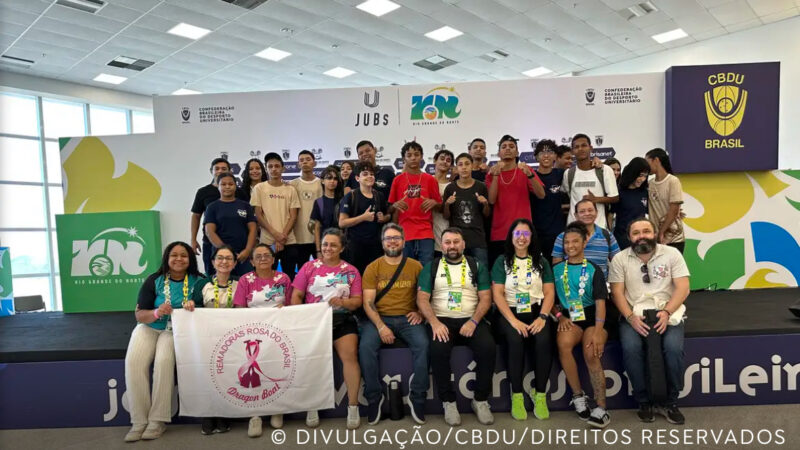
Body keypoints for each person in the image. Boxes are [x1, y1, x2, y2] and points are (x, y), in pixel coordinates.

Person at [609, 218, 690, 425]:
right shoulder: (619, 259)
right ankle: (643, 401)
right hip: (633, 314)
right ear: (629, 237)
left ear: (655, 234)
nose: (641, 236)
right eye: (636, 233)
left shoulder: (672, 254)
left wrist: (667, 312)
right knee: (631, 349)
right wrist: (630, 317)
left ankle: (671, 402)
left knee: (672, 349)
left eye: (646, 231)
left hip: (668, 311)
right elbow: (617, 292)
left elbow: (683, 287)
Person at [124, 241, 202, 442]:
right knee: (134, 364)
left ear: (190, 259)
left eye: (183, 255)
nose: (178, 259)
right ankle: (139, 421)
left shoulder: (198, 280)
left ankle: (157, 421)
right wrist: (157, 312)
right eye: (174, 255)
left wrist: (195, 306)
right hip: (149, 328)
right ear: (167, 259)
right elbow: (140, 315)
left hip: (174, 332)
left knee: (163, 364)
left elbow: (206, 308)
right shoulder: (154, 280)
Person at [417, 227, 495, 426]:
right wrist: (434, 323)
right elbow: (422, 299)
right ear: (441, 245)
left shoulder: (476, 265)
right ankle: (448, 402)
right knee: (438, 350)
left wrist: (474, 321)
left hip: (471, 319)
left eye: (456, 242)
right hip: (441, 320)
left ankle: (480, 400)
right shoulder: (431, 267)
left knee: (488, 347)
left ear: (463, 244)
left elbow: (486, 298)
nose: (452, 246)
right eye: (448, 242)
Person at [290, 228, 363, 429]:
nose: (328, 248)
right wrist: (301, 318)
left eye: (333, 245)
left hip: (341, 320)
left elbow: (357, 302)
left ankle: (353, 406)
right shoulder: (308, 267)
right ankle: (312, 405)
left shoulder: (351, 271)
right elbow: (296, 296)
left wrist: (342, 302)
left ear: (342, 247)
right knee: (312, 362)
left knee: (350, 357)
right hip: (313, 322)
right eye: (325, 244)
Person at [359, 223, 428, 425]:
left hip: (408, 318)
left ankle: (418, 398)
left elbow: (424, 296)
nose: (393, 241)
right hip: (379, 317)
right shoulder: (373, 268)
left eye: (396, 237)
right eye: (388, 238)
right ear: (382, 243)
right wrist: (381, 326)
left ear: (404, 241)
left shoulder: (416, 266)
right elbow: (368, 302)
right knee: (365, 347)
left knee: (423, 345)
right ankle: (374, 397)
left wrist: (420, 314)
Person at [491, 219, 555, 421]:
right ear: (511, 237)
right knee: (515, 340)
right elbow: (498, 294)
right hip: (509, 313)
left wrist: (543, 317)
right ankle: (517, 394)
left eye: (526, 234)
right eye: (517, 233)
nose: (521, 238)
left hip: (537, 312)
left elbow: (549, 292)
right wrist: (513, 321)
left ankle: (541, 394)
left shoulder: (541, 261)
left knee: (544, 340)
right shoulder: (501, 260)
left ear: (531, 237)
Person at [552, 222, 610, 428]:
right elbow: (549, 301)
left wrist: (598, 330)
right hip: (570, 318)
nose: (570, 245)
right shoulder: (557, 269)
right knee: (563, 343)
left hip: (594, 318)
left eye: (575, 241)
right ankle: (578, 396)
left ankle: (601, 408)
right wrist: (559, 316)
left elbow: (601, 304)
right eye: (566, 242)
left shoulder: (594, 270)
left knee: (591, 351)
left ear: (584, 242)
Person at [232, 243, 293, 436]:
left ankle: (277, 409)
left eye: (267, 255)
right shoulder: (245, 280)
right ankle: (255, 415)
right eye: (258, 256)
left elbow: (292, 305)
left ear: (274, 259)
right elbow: (239, 309)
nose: (263, 259)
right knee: (253, 373)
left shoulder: (283, 279)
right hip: (253, 334)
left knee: (276, 368)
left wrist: (284, 310)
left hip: (278, 332)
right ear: (251, 261)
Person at [182, 245, 238, 435]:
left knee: (227, 375)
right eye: (220, 258)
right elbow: (194, 306)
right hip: (207, 338)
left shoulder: (240, 283)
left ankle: (223, 413)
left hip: (233, 339)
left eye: (229, 258)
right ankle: (209, 413)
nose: (224, 262)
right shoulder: (202, 284)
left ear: (235, 263)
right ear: (213, 262)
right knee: (208, 375)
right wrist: (189, 305)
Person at [486, 135, 545, 266]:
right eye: (504, 147)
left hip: (523, 232)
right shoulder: (491, 173)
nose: (508, 149)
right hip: (500, 232)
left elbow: (541, 195)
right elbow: (491, 200)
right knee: (501, 274)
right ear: (498, 153)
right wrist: (495, 176)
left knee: (526, 271)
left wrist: (530, 175)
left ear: (517, 152)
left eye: (512, 147)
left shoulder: (525, 170)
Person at [389, 141, 442, 268]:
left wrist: (434, 202)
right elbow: (389, 208)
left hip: (425, 231)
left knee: (427, 269)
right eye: (409, 155)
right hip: (405, 231)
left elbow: (440, 207)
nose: (413, 158)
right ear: (404, 159)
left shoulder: (430, 179)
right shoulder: (398, 180)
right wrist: (395, 205)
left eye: (416, 154)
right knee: (406, 270)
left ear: (422, 156)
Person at [250, 152, 300, 279]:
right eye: (270, 166)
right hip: (267, 242)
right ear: (266, 169)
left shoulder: (290, 189)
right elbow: (258, 215)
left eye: (277, 166)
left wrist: (281, 237)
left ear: (282, 168)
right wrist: (276, 236)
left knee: (289, 277)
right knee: (266, 277)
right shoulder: (259, 188)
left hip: (289, 241)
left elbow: (293, 216)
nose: (274, 169)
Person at [339, 160, 390, 274]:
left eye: (371, 174)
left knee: (374, 279)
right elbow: (342, 223)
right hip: (355, 247)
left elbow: (388, 215)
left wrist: (383, 218)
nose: (369, 177)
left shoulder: (379, 195)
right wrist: (363, 217)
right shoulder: (350, 196)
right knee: (355, 280)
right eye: (365, 174)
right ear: (357, 178)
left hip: (375, 246)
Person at [204, 172, 257, 277]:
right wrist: (226, 252)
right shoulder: (212, 207)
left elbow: (253, 229)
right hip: (221, 255)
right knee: (221, 287)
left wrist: (247, 250)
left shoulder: (245, 206)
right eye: (223, 184)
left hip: (243, 255)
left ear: (235, 186)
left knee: (247, 285)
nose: (227, 187)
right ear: (218, 187)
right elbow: (210, 231)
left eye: (231, 184)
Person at [442, 153, 490, 267]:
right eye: (460, 164)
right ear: (456, 168)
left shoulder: (481, 187)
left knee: (482, 273)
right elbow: (445, 216)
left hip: (477, 239)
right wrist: (447, 204)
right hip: (457, 240)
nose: (464, 167)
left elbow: (487, 214)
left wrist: (485, 204)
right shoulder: (450, 188)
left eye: (467, 164)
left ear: (472, 166)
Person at [562, 134, 618, 229]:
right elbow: (568, 195)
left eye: (584, 145)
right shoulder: (568, 173)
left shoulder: (604, 170)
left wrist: (596, 199)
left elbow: (615, 197)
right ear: (572, 151)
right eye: (576, 147)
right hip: (574, 227)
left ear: (590, 148)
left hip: (598, 227)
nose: (580, 149)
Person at [553, 200, 620, 278]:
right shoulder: (563, 237)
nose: (587, 214)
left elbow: (618, 262)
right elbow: (556, 267)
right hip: (571, 286)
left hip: (600, 287)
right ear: (576, 215)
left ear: (597, 213)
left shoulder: (607, 235)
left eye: (590, 210)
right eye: (582, 211)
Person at [190, 157, 232, 275]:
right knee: (212, 276)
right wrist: (193, 239)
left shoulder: (238, 192)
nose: (220, 171)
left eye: (224, 168)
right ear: (211, 171)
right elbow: (196, 216)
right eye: (217, 168)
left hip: (235, 242)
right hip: (210, 242)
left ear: (230, 171)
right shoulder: (203, 192)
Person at [287, 150, 323, 275]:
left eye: (308, 159)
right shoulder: (292, 184)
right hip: (298, 237)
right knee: (302, 274)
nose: (305, 162)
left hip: (318, 237)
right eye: (301, 160)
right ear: (298, 164)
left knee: (321, 272)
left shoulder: (321, 183)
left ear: (315, 163)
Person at [530, 139, 566, 260]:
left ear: (556, 156)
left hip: (557, 232)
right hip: (536, 232)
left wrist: (597, 162)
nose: (546, 155)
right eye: (541, 152)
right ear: (536, 157)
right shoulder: (530, 176)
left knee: (557, 268)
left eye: (550, 152)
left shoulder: (561, 174)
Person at [646, 148, 686, 253]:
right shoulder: (650, 184)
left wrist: (662, 232)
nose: (645, 167)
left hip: (673, 238)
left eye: (647, 162)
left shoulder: (673, 181)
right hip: (655, 238)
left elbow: (674, 210)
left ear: (656, 160)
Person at [612, 158, 650, 249]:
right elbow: (610, 215)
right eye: (640, 175)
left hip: (641, 238)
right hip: (622, 238)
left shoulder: (645, 192)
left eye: (645, 176)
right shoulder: (618, 192)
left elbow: (652, 211)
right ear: (633, 173)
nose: (642, 179)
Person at [311, 166, 344, 259]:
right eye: (329, 178)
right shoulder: (319, 202)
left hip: (342, 246)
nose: (332, 181)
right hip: (326, 246)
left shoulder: (344, 200)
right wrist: (318, 251)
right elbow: (317, 228)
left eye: (335, 178)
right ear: (322, 181)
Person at [432, 148, 454, 258]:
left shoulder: (452, 186)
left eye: (448, 160)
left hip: (443, 230)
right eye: (442, 158)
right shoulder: (426, 181)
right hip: (424, 232)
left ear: (451, 166)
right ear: (434, 161)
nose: (445, 161)